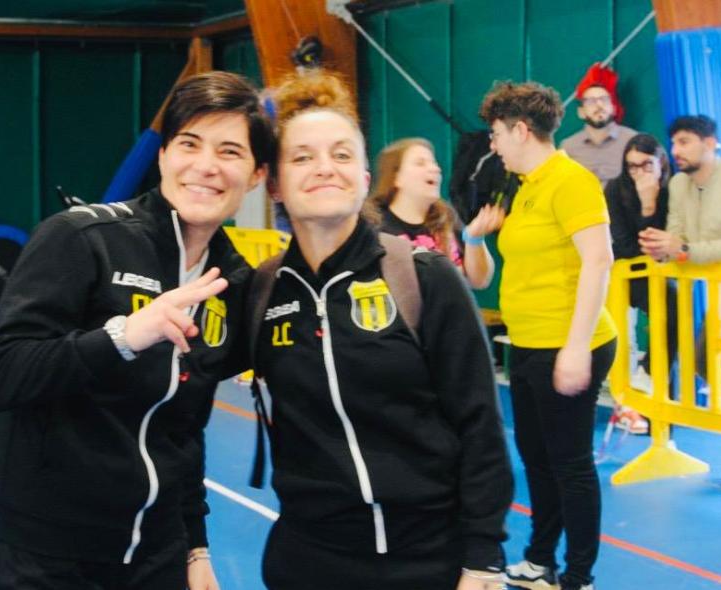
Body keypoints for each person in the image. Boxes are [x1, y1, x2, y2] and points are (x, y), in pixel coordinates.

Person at [0, 70, 274, 590]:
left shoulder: (232, 283)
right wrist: (124, 337)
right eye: (189, 144)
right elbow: (2, 377)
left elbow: (182, 428)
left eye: (230, 152)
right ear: (163, 156)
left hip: (155, 551)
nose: (206, 166)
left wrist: (194, 545)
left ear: (256, 175)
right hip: (44, 553)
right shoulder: (81, 238)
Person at [253, 69, 513, 590]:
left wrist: (483, 556)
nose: (325, 168)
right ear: (274, 183)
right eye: (302, 157)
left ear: (366, 177)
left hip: (427, 561)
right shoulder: (262, 291)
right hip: (307, 562)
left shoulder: (422, 277)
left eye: (342, 154)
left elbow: (480, 424)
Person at [480, 80, 617, 590]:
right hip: (529, 344)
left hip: (568, 343)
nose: (492, 144)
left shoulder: (571, 180)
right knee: (537, 460)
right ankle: (540, 561)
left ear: (520, 130)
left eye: (496, 133)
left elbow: (598, 261)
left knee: (571, 465)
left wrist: (576, 347)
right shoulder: (527, 186)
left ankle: (578, 577)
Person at [639, 114, 721, 488]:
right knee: (702, 360)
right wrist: (662, 248)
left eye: (684, 142)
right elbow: (677, 235)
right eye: (674, 143)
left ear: (710, 143)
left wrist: (681, 249)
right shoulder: (679, 183)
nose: (676, 150)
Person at [605, 133, 677, 431]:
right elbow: (625, 245)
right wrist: (647, 209)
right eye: (632, 166)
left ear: (661, 162)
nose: (638, 173)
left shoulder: (674, 189)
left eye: (646, 165)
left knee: (673, 319)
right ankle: (629, 402)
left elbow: (673, 239)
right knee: (623, 339)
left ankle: (658, 411)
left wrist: (652, 206)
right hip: (627, 274)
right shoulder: (615, 188)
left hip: (663, 275)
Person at [364, 137, 501, 289]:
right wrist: (451, 274)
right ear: (396, 178)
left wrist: (474, 238)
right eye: (420, 163)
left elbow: (480, 281)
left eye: (434, 163)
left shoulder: (446, 216)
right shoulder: (374, 225)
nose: (435, 169)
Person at [560, 64, 637, 186]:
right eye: (591, 101)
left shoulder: (632, 140)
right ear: (581, 112)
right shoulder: (568, 147)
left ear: (614, 108)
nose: (599, 105)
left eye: (604, 99)